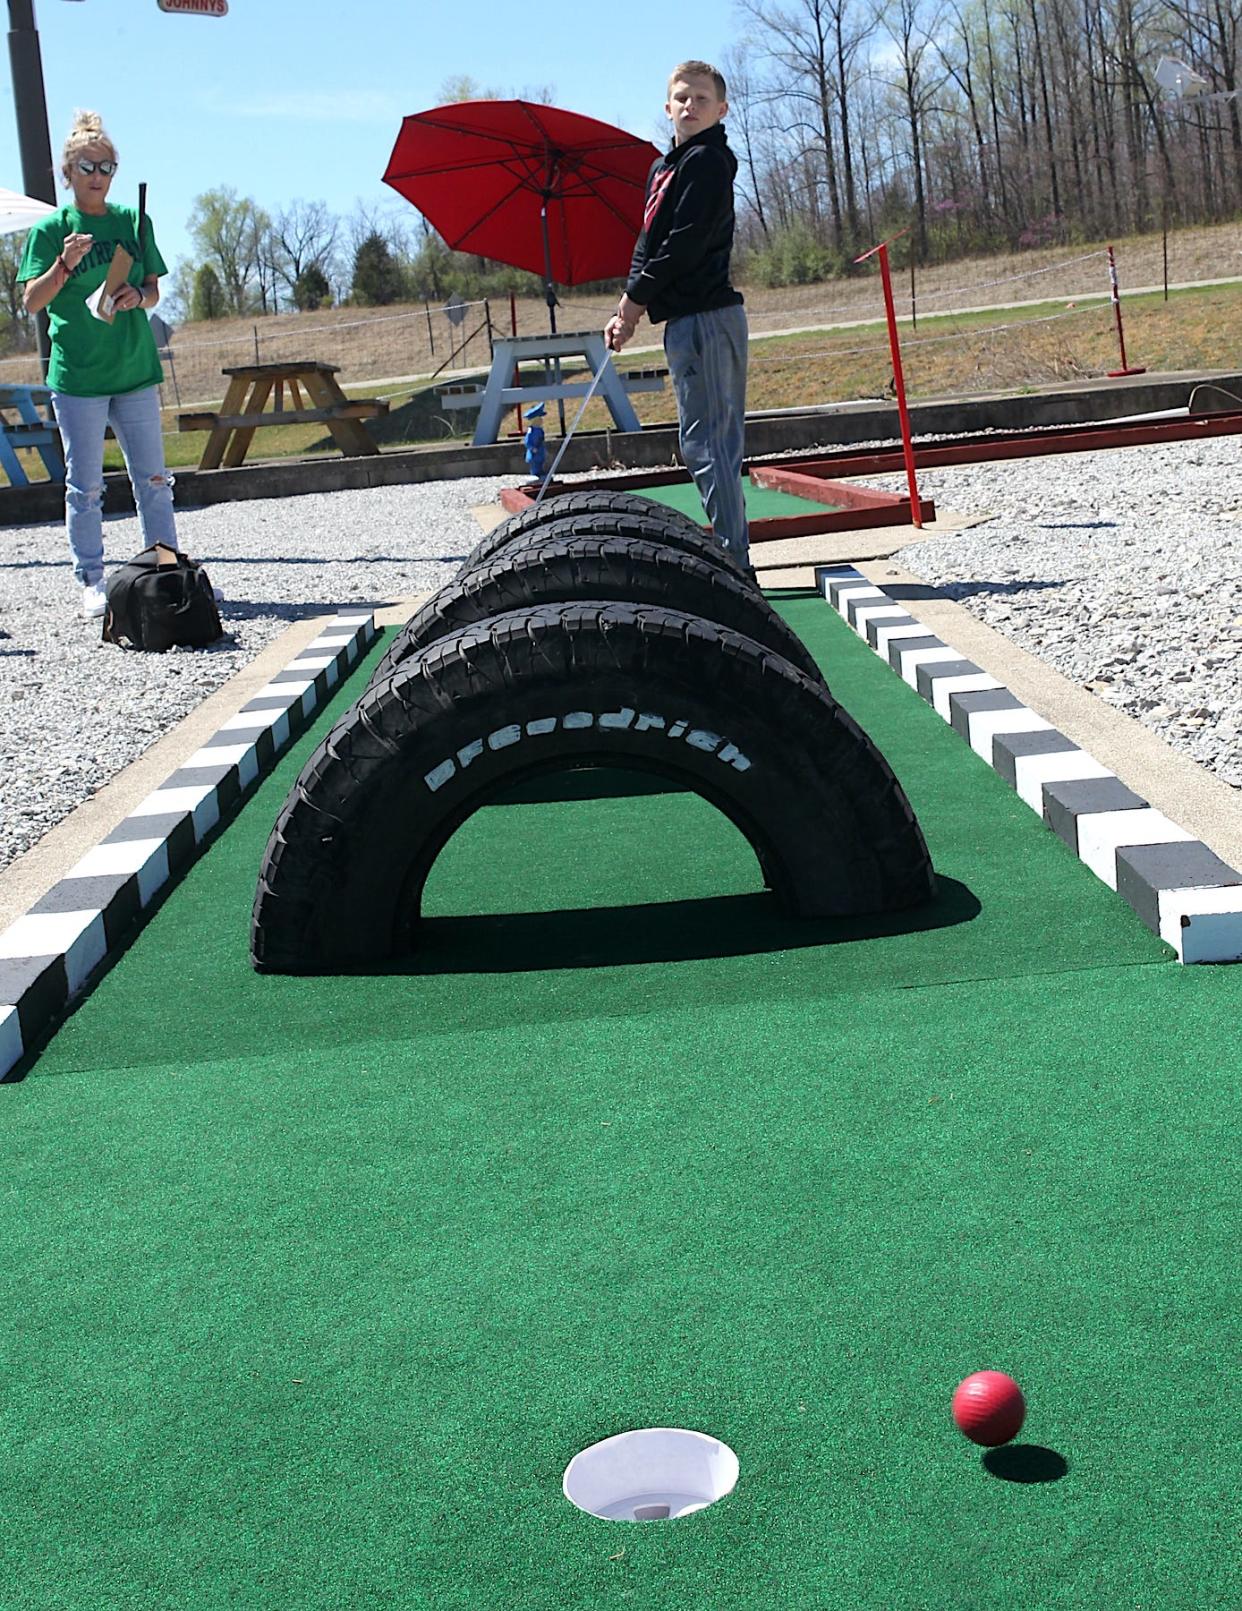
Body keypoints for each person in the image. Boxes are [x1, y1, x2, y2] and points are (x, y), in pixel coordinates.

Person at [19, 109, 178, 620]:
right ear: (68, 174)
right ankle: (91, 579)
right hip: (79, 375)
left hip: (133, 367)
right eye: (87, 168)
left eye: (106, 167)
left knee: (154, 479)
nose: (97, 177)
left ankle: (166, 569)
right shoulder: (50, 231)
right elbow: (32, 302)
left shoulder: (134, 221)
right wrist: (65, 263)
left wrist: (138, 296)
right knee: (84, 485)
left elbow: (154, 289)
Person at [605, 61, 749, 566]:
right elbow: (650, 241)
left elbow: (685, 245)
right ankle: (731, 552)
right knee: (699, 442)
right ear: (668, 107)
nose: (690, 106)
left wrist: (637, 300)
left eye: (702, 99)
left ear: (721, 109)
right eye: (682, 98)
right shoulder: (665, 168)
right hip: (682, 321)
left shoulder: (709, 161)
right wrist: (628, 305)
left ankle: (735, 560)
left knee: (711, 442)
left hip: (709, 316)